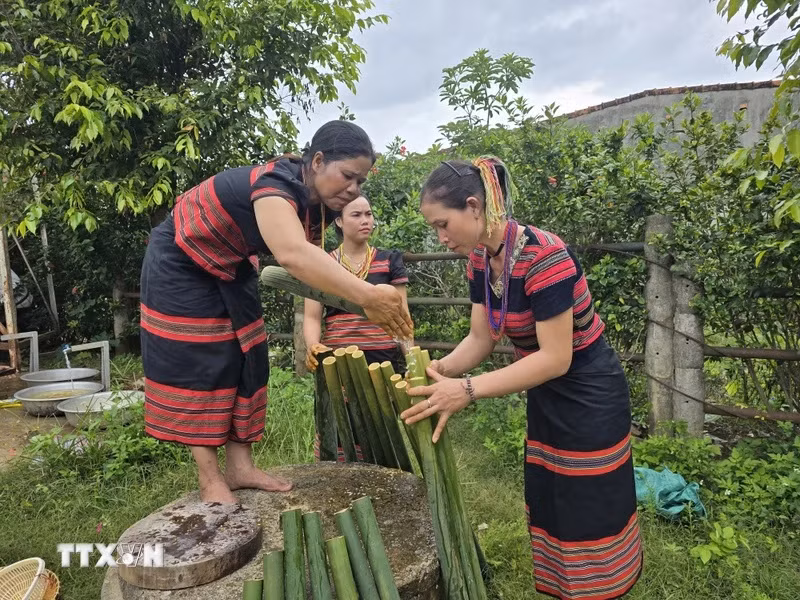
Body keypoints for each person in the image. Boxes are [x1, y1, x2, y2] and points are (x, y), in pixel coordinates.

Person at [401, 157, 642, 600]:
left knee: (590, 503)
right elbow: (481, 338)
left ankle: (602, 589)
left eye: (442, 224)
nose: (440, 237)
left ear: (474, 207)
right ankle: (566, 590)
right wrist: (438, 372)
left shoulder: (544, 256)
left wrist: (467, 390)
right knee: (553, 496)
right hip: (548, 393)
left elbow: (554, 358)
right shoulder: (481, 261)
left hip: (589, 391)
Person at [140, 121, 413, 504]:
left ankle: (240, 467)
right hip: (181, 261)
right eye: (348, 176)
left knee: (249, 356)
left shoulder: (313, 206)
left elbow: (313, 270)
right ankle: (210, 480)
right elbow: (292, 255)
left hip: (231, 264)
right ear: (317, 161)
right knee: (203, 362)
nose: (354, 189)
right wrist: (368, 295)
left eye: (361, 182)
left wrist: (365, 303)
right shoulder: (275, 185)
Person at [303, 194, 411, 462]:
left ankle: (382, 487)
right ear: (338, 220)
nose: (366, 221)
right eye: (356, 215)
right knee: (339, 427)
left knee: (380, 426)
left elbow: (402, 316)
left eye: (369, 214)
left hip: (382, 360)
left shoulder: (389, 260)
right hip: (338, 359)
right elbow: (313, 316)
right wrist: (312, 346)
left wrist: (411, 360)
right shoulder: (322, 263)